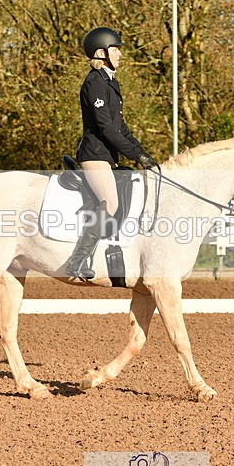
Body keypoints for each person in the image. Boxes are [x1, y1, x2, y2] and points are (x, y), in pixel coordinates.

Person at [65, 26, 158, 280]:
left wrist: (142, 153)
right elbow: (106, 128)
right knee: (111, 202)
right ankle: (77, 260)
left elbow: (121, 127)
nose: (120, 54)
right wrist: (135, 156)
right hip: (94, 154)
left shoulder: (111, 82)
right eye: (115, 49)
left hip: (108, 156)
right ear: (101, 52)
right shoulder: (94, 83)